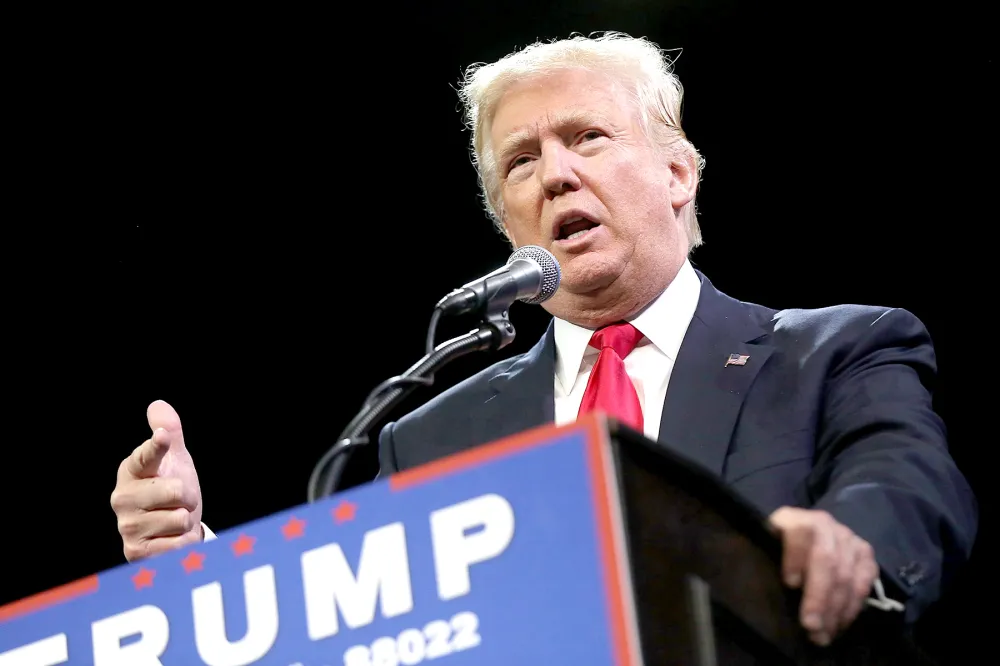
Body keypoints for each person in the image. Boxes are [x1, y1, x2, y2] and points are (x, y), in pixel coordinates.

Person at [110, 32, 977, 648]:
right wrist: (199, 567)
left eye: (588, 138)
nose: (556, 171)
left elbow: (905, 484)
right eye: (520, 162)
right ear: (506, 218)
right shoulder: (427, 437)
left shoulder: (835, 352)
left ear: (678, 174)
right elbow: (357, 618)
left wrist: (849, 544)